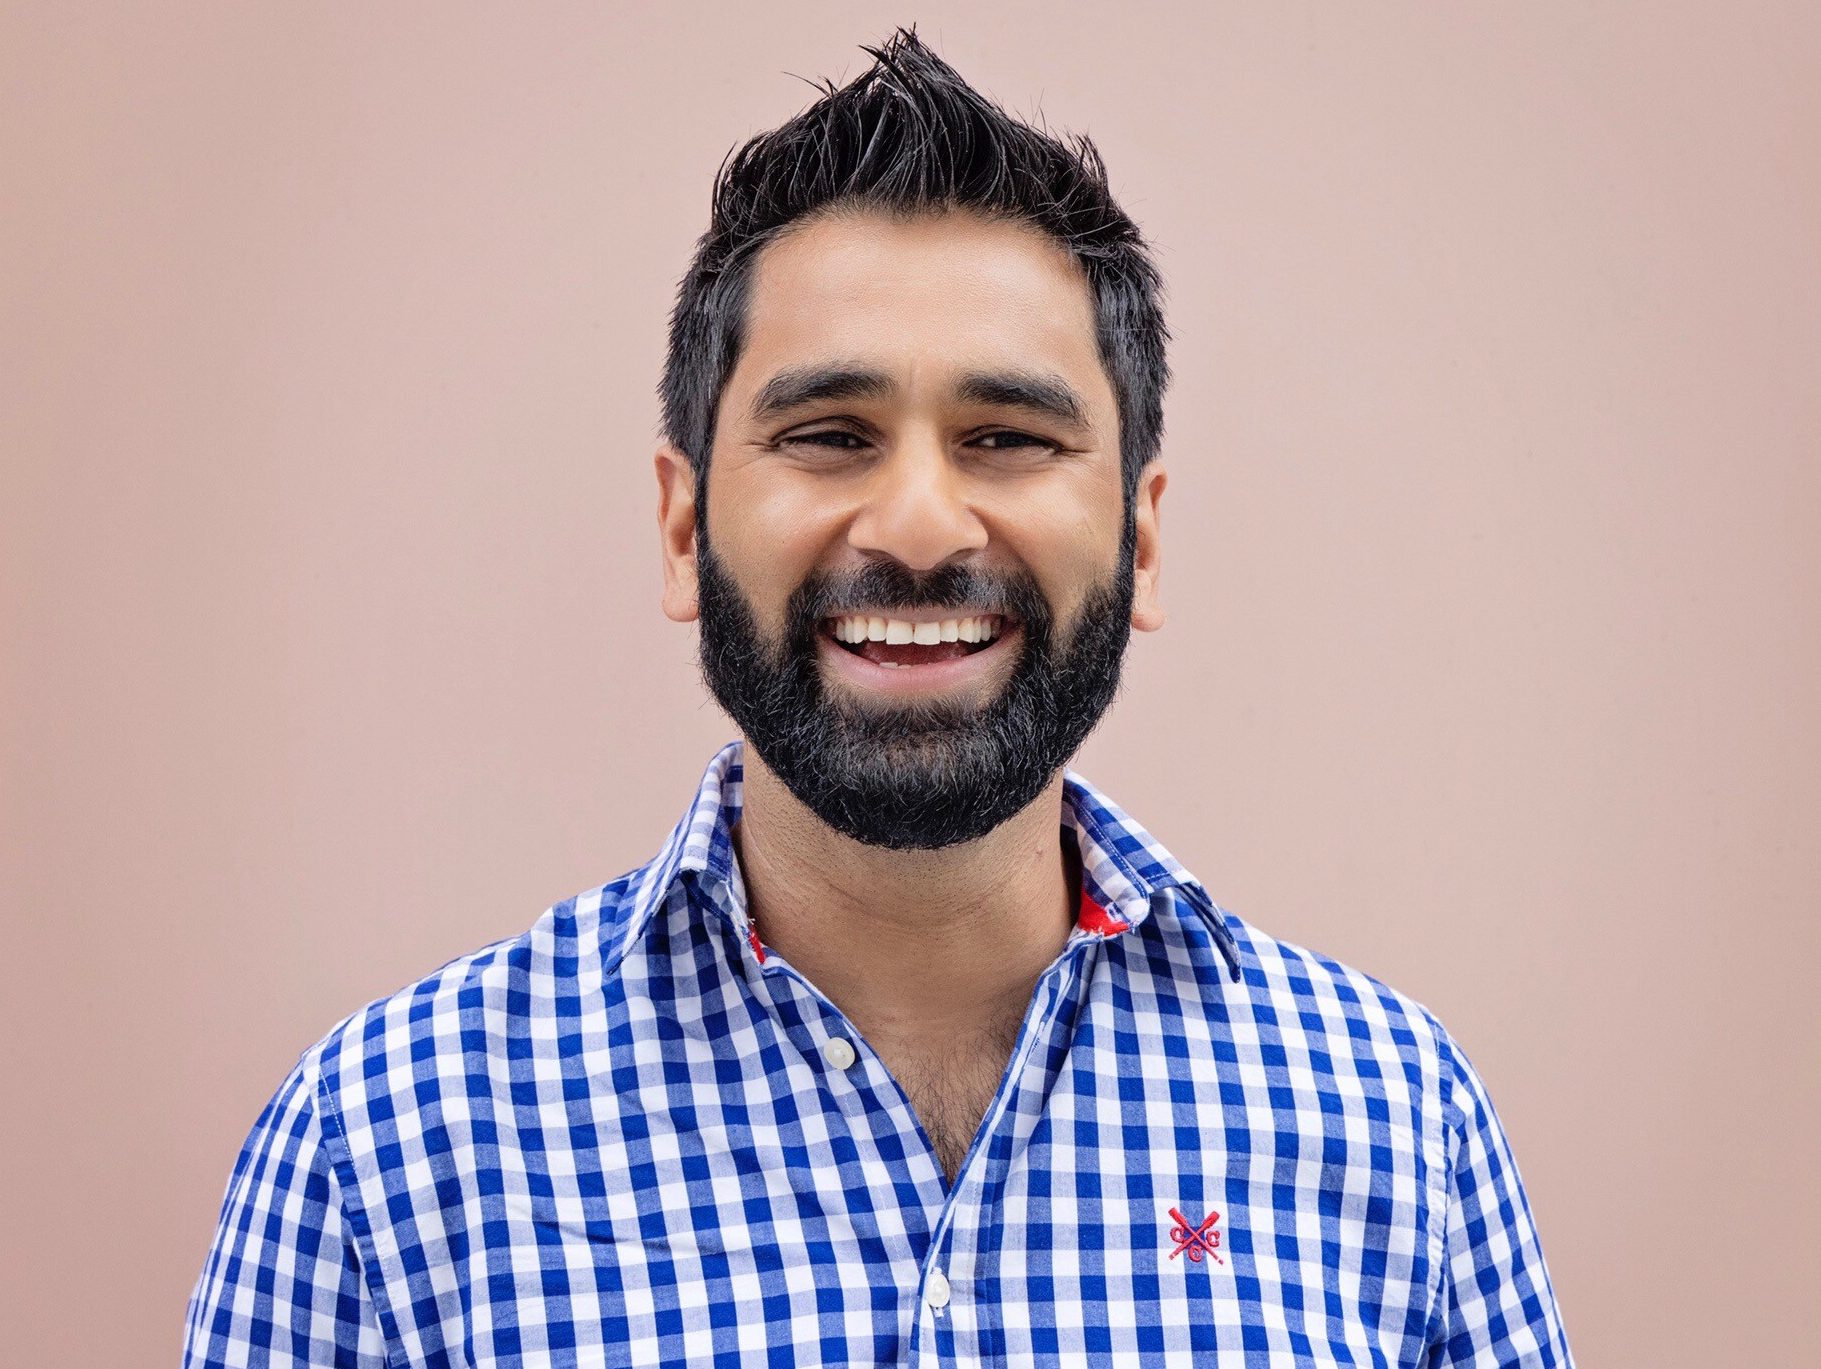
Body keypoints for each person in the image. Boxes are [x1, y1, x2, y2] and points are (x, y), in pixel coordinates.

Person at [183, 27, 1573, 1368]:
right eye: (830, 435)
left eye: (1008, 437)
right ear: (682, 527)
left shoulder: (1394, 1122)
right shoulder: (378, 1158)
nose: (916, 523)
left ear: (1141, 538)